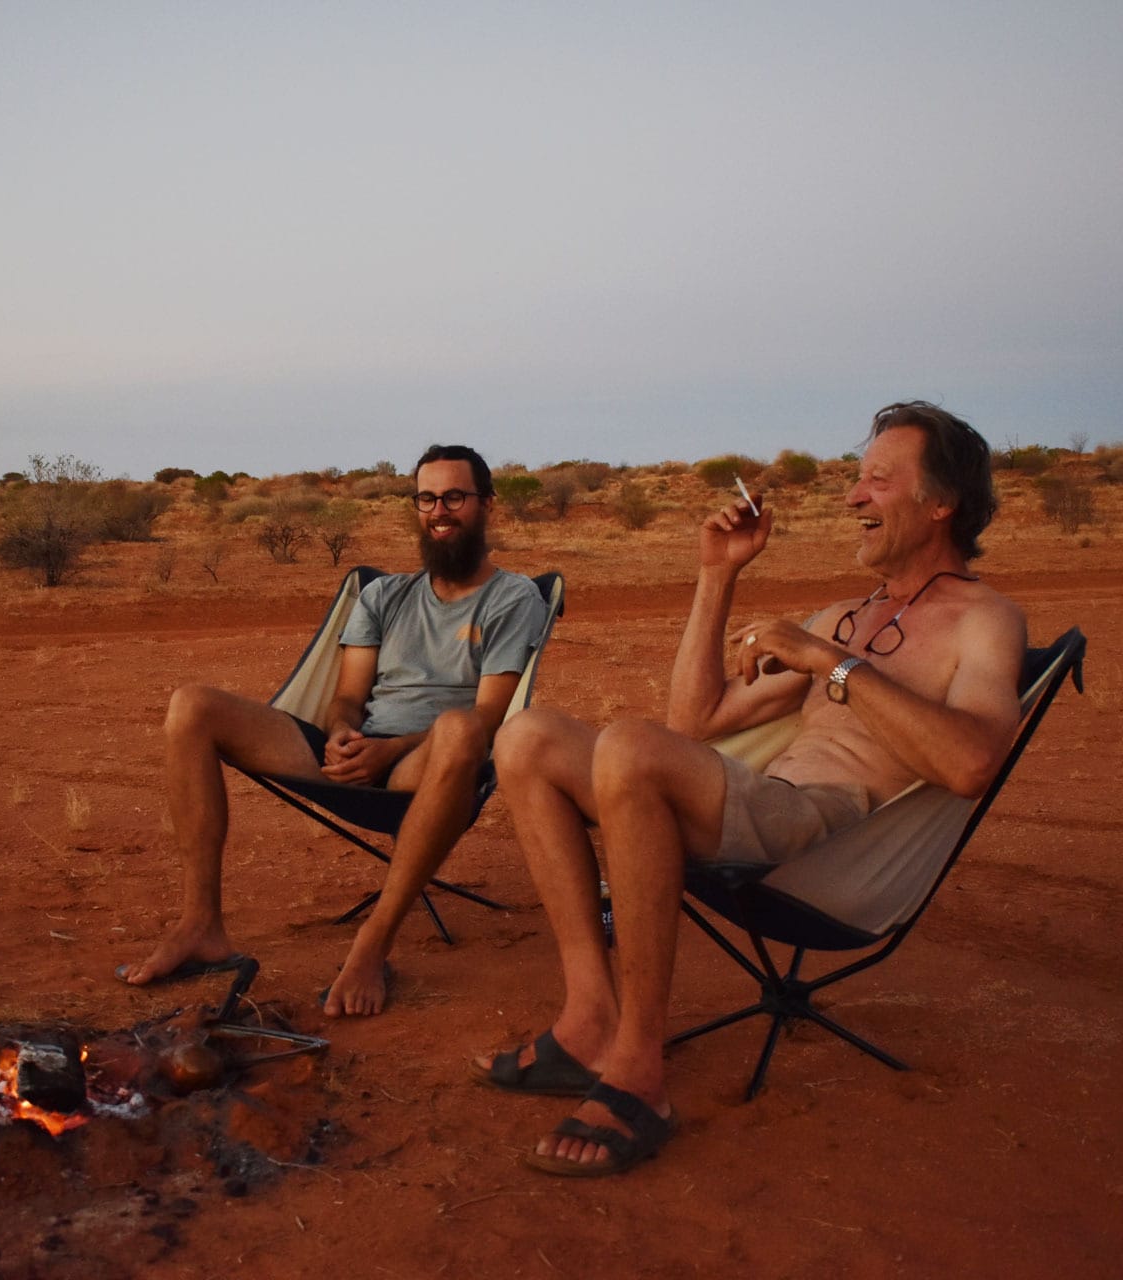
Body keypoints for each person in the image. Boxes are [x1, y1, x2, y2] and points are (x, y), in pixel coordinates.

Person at [478, 401, 1027, 1175]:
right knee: (526, 735)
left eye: (876, 480)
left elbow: (972, 764)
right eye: (856, 479)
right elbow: (693, 720)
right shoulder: (844, 617)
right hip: (756, 802)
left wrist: (829, 665)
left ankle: (639, 1070)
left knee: (631, 747)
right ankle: (588, 1019)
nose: (852, 497)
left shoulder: (985, 620)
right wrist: (717, 577)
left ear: (942, 503)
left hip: (831, 846)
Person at [118, 444, 551, 1016]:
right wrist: (346, 733)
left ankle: (371, 947)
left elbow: (489, 716)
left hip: (430, 766)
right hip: (352, 755)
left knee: (458, 729)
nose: (439, 510)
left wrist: (390, 751)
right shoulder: (382, 594)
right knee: (192, 705)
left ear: (486, 504)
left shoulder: (512, 597)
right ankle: (201, 926)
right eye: (426, 498)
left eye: (454, 497)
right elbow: (347, 697)